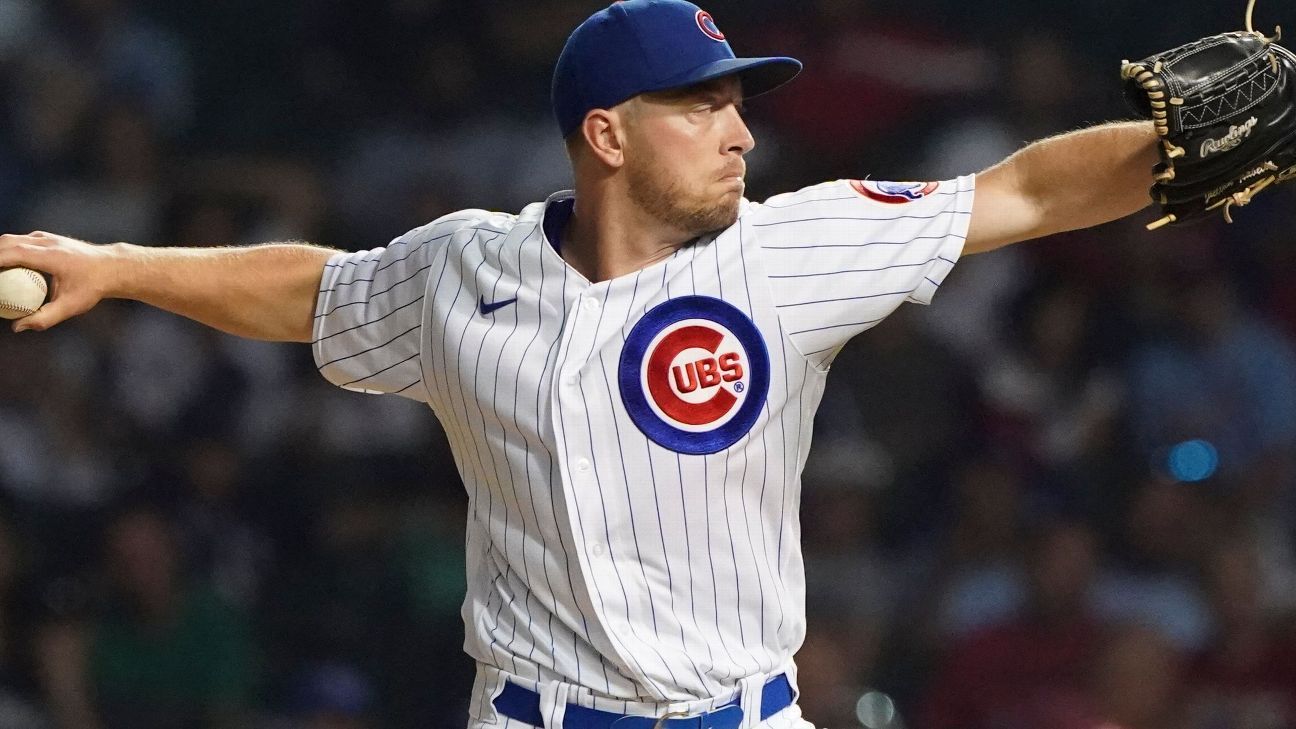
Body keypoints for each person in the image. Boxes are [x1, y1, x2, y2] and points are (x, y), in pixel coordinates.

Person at [0, 1, 1167, 727]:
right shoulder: (465, 270)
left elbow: (1020, 189)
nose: (742, 132)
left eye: (739, 104)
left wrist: (1175, 144)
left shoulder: (794, 247)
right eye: (703, 107)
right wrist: (123, 264)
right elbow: (318, 291)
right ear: (607, 134)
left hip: (748, 716)